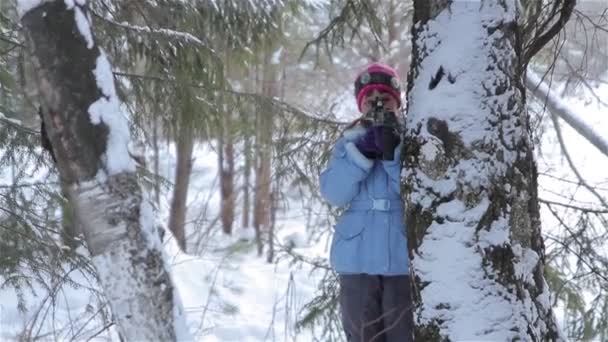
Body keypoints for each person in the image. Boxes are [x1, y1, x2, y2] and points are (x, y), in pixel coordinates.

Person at [320, 62, 414, 342]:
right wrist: (359, 156)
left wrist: (393, 155)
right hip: (356, 260)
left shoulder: (412, 140)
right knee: (362, 335)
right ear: (360, 105)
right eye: (370, 100)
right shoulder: (348, 143)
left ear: (397, 103)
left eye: (385, 99)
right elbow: (335, 194)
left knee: (402, 334)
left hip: (399, 259)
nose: (378, 106)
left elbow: (416, 194)